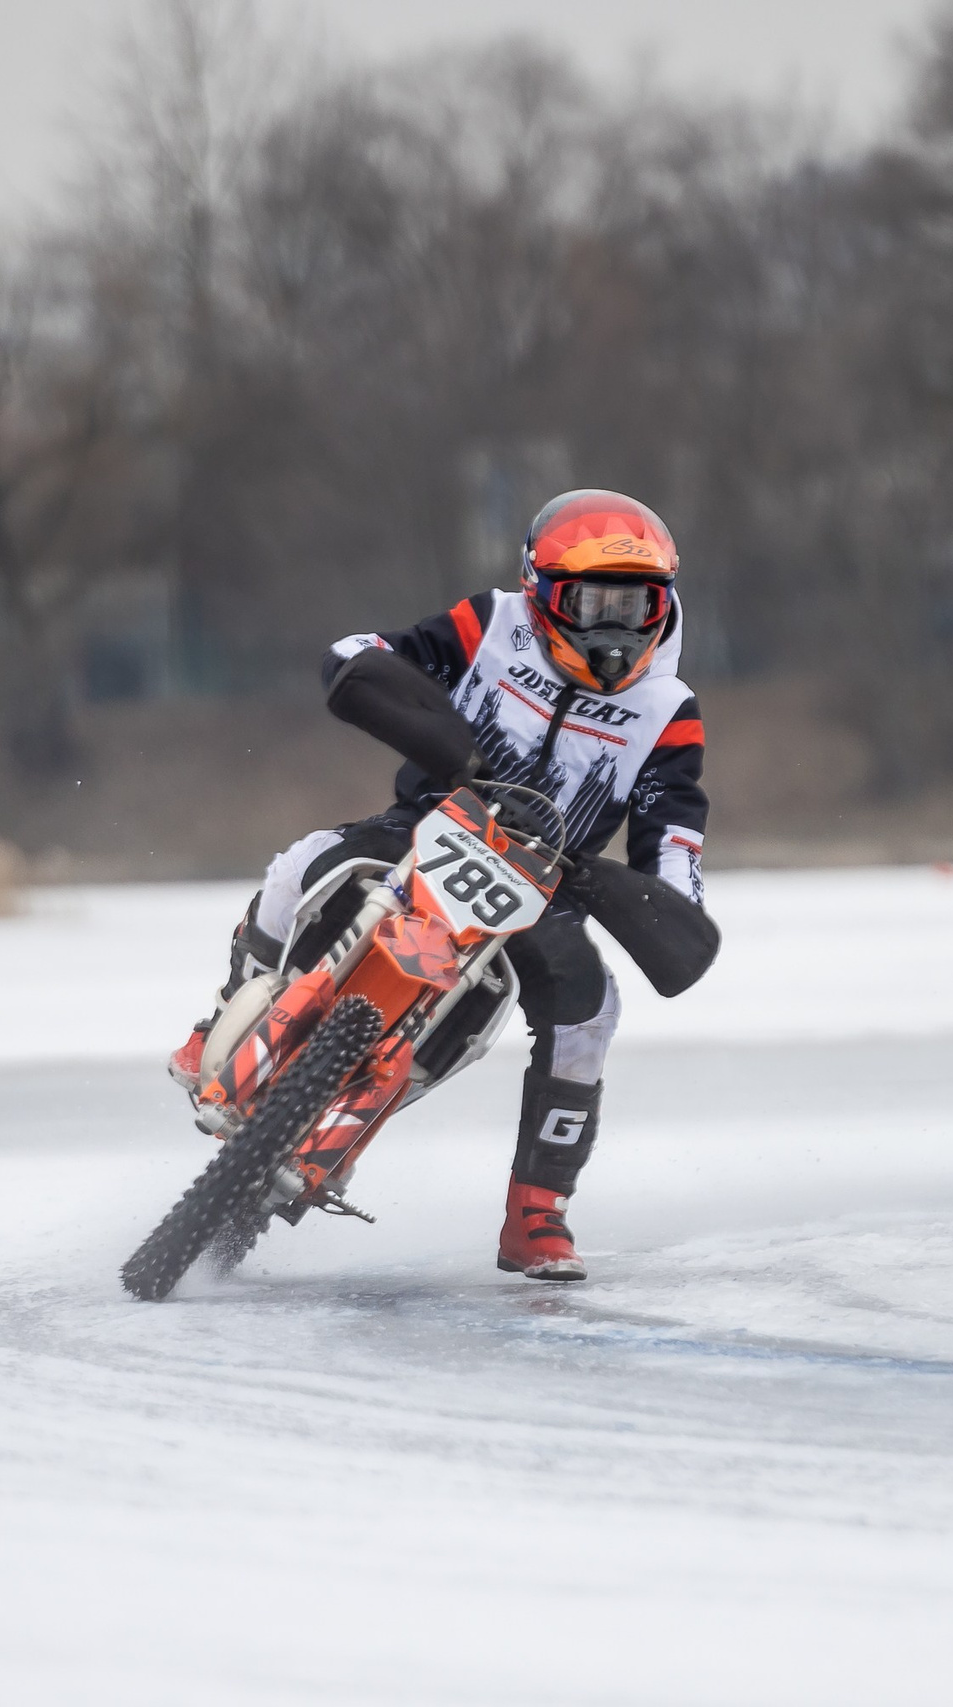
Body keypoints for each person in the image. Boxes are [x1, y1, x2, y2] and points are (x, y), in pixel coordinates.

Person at [167, 489, 709, 1281]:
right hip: (429, 821)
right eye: (589, 603)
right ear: (541, 593)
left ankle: (538, 1210)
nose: (611, 629)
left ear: (664, 605)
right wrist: (436, 736)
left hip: (545, 884)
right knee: (303, 861)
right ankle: (222, 1019)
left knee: (592, 1005)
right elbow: (367, 652)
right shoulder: (490, 622)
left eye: (635, 606)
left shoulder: (670, 712)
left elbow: (676, 849)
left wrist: (652, 898)